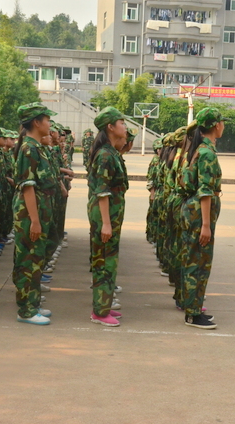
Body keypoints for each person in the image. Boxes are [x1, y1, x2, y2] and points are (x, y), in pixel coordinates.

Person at [178, 108, 225, 329]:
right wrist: (206, 225)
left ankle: (193, 309)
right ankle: (193, 314)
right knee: (198, 263)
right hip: (199, 215)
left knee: (194, 261)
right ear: (216, 125)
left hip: (194, 211)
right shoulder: (207, 153)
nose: (223, 126)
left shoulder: (199, 150)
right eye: (222, 122)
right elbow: (205, 191)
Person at [12, 102, 57, 325]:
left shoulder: (37, 147)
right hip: (30, 213)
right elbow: (27, 187)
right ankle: (26, 310)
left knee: (37, 258)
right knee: (28, 260)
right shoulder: (28, 148)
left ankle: (33, 303)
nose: (50, 123)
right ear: (37, 122)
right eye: (47, 119)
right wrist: (35, 220)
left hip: (40, 210)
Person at [87, 106, 128, 327]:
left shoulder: (112, 152)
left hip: (112, 215)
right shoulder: (104, 155)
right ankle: (99, 312)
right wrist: (105, 223)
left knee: (110, 260)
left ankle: (104, 304)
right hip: (105, 216)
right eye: (121, 123)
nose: (125, 127)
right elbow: (101, 192)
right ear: (110, 127)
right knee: (103, 261)